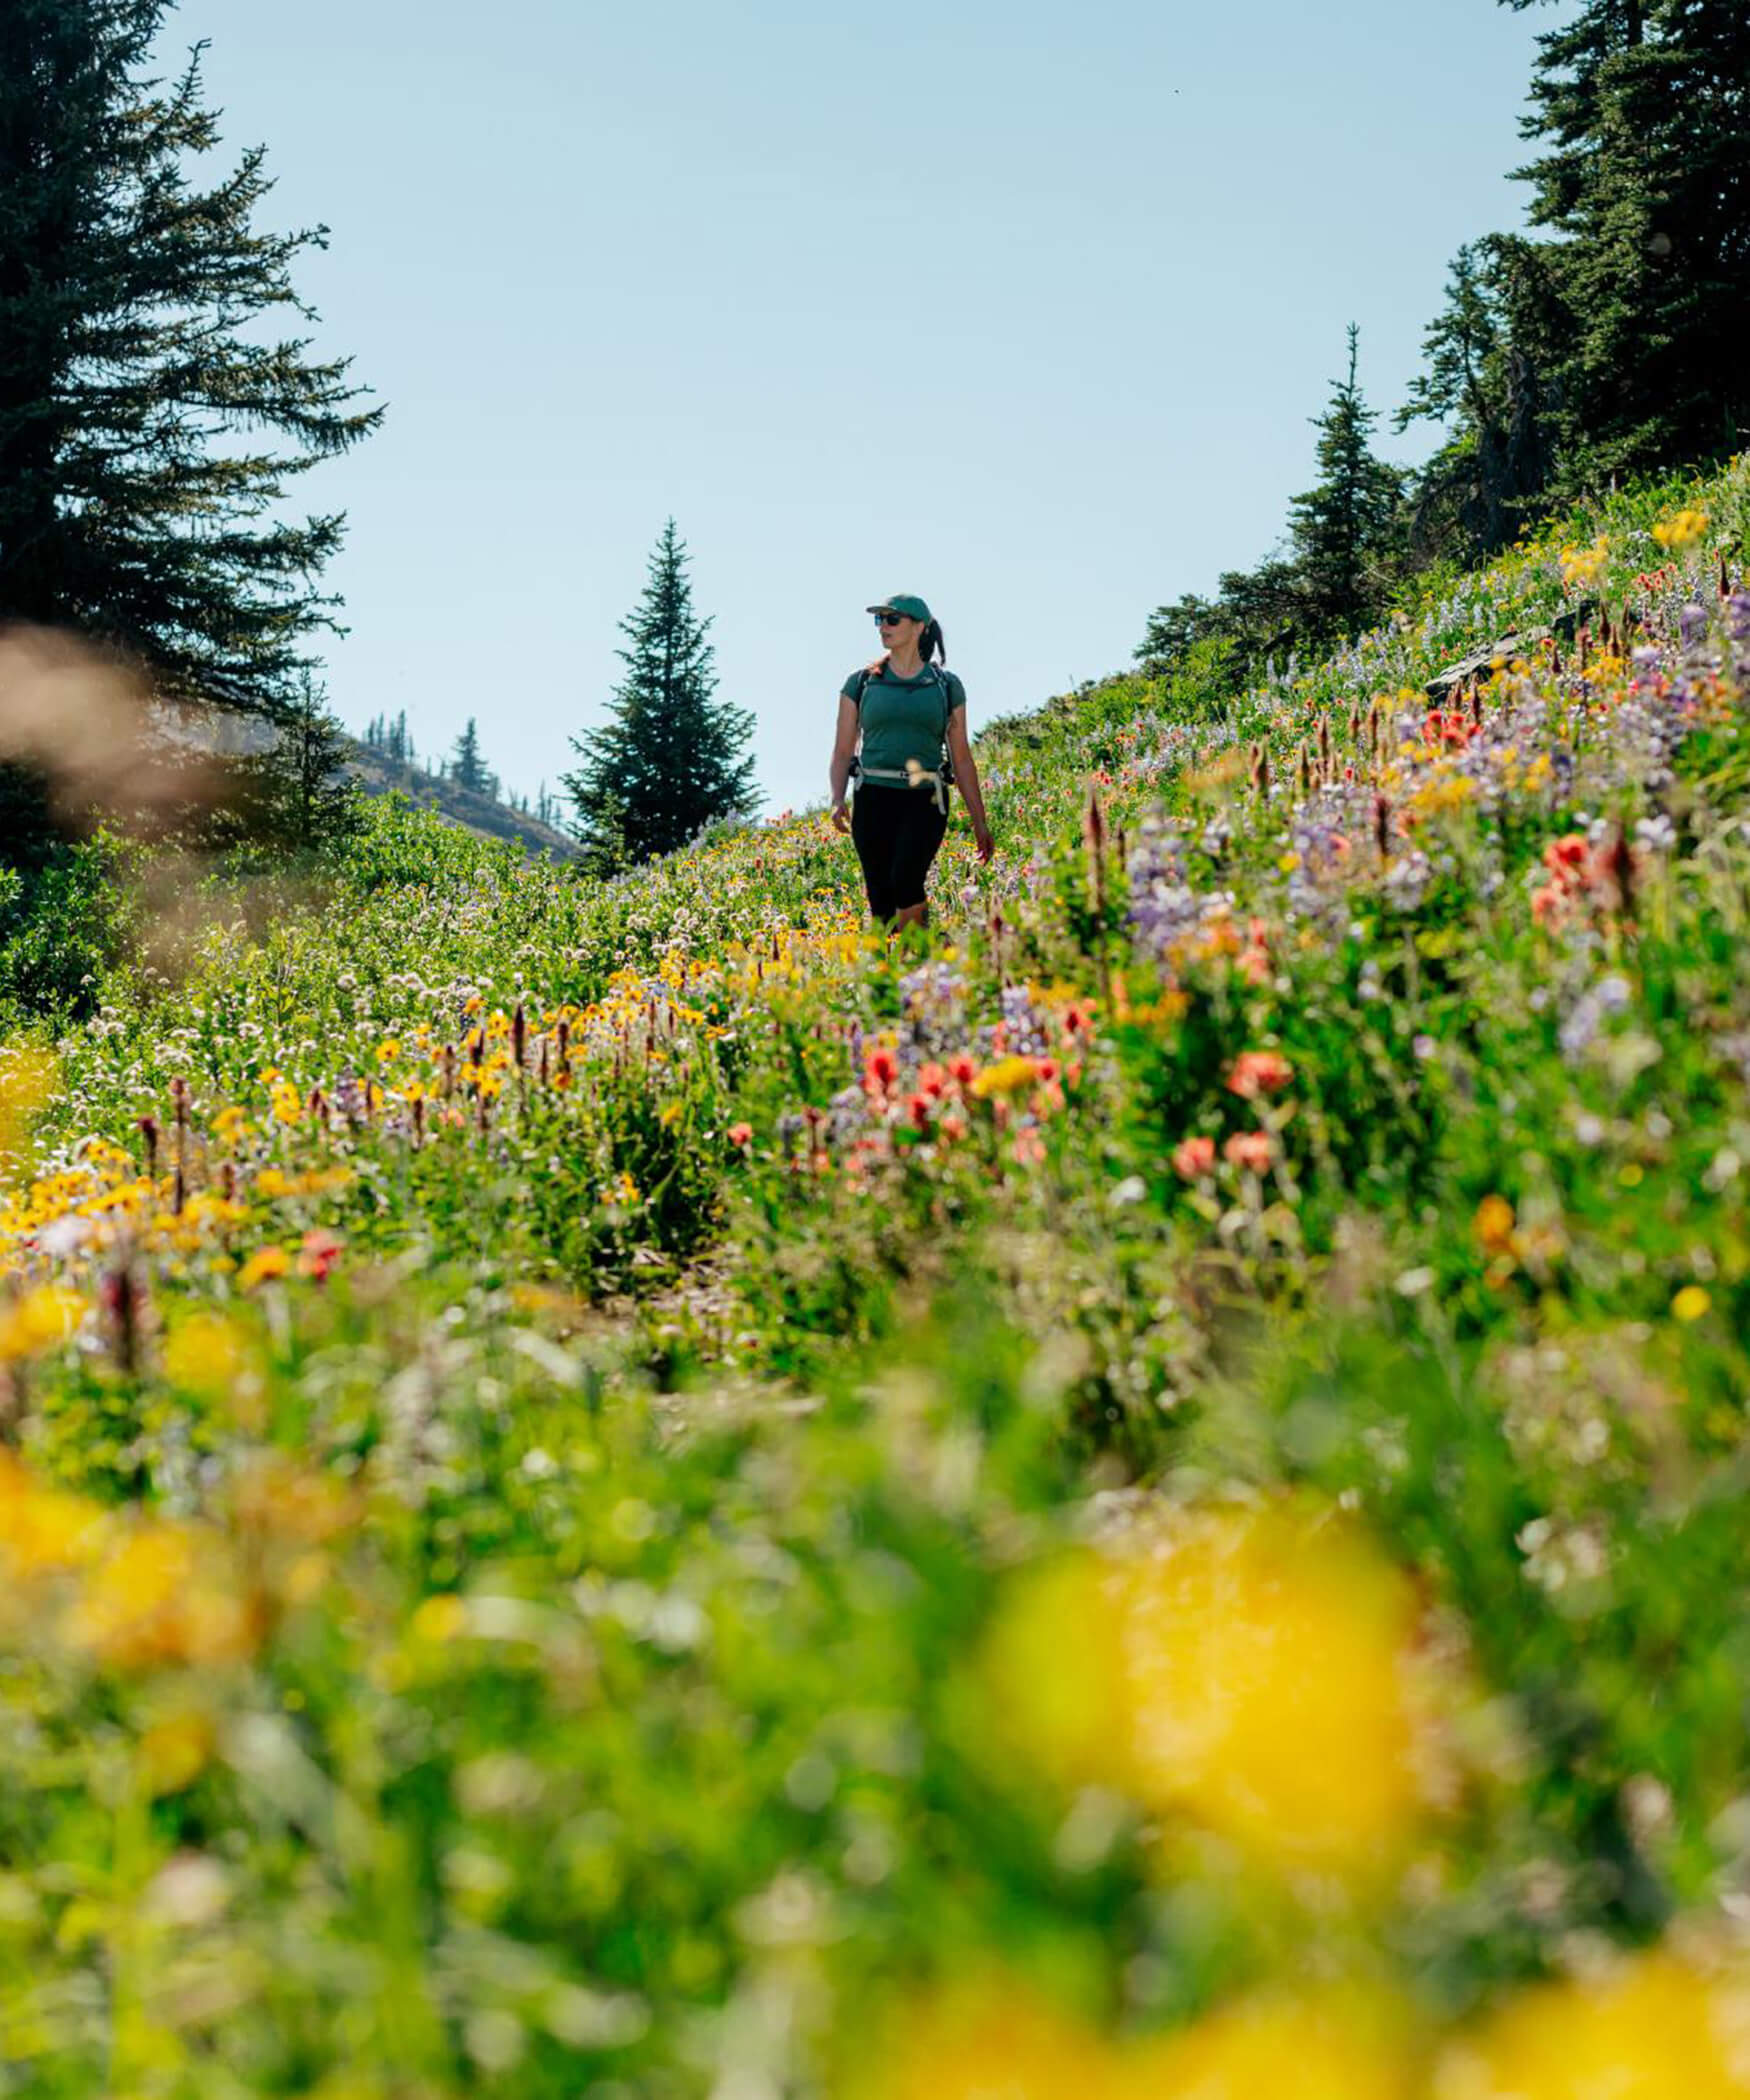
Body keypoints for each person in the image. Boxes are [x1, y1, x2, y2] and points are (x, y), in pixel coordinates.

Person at [829, 592, 994, 930]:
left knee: (906, 878)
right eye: (880, 620)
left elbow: (961, 757)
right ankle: (906, 969)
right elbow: (843, 750)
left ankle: (922, 957)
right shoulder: (861, 682)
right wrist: (836, 798)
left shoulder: (945, 685)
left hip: (925, 797)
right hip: (872, 795)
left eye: (893, 619)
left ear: (920, 626)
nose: (883, 627)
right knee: (881, 902)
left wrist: (980, 820)